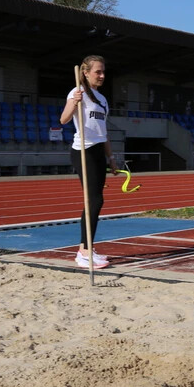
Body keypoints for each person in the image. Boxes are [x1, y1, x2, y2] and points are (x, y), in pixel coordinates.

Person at [60, 55, 119, 269]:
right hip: (83, 150)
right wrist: (74, 102)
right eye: (98, 72)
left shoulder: (102, 100)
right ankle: (84, 251)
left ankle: (87, 248)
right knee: (93, 200)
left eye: (104, 72)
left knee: (96, 200)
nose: (102, 75)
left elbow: (104, 133)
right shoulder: (78, 92)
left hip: (98, 151)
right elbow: (64, 119)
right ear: (85, 73)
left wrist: (111, 158)